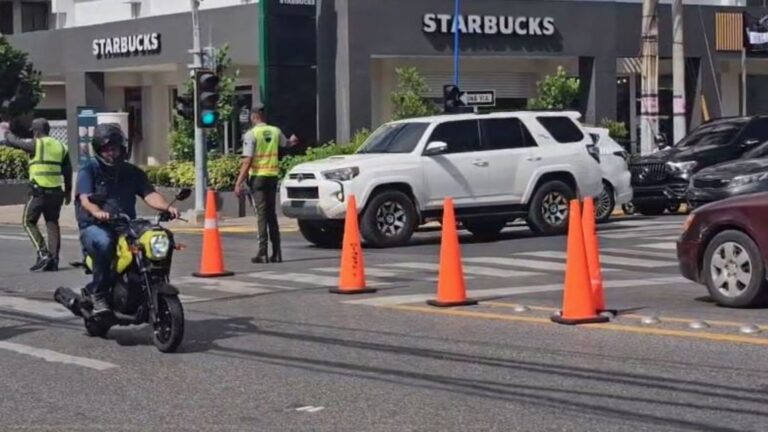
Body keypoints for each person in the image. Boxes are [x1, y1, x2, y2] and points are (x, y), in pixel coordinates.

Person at [75, 123, 179, 314]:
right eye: (105, 150)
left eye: (113, 149)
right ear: (98, 151)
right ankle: (98, 293)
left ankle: (152, 283)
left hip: (125, 224)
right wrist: (97, 211)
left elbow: (149, 194)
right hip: (94, 225)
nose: (110, 154)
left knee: (161, 237)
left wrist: (168, 206)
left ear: (122, 149)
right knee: (104, 242)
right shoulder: (89, 170)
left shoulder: (132, 172)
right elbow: (84, 199)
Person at [0, 118, 72, 272]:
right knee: (52, 223)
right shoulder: (61, 146)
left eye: (33, 132)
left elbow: (16, 142)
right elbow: (68, 172)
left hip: (39, 191)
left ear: (37, 132)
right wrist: (68, 192)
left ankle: (43, 253)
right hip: (56, 193)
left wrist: (7, 132)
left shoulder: (36, 144)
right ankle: (53, 260)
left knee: (28, 222)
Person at [234, 103, 298, 264]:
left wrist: (239, 182)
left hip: (258, 178)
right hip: (272, 176)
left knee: (261, 216)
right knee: (271, 215)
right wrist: (293, 140)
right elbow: (287, 143)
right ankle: (277, 252)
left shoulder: (251, 134)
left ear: (253, 117)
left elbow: (247, 160)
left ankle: (262, 252)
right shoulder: (275, 131)